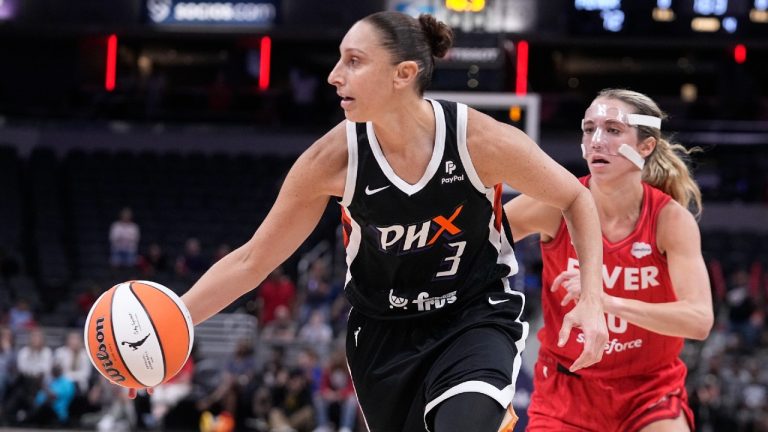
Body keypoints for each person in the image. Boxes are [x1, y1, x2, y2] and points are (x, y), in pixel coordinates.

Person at [130, 12, 608, 432]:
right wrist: (171, 325)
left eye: (354, 62)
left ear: (403, 74)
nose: (335, 76)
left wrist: (592, 298)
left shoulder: (480, 141)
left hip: (473, 313)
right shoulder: (332, 160)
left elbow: (575, 198)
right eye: (339, 60)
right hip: (382, 332)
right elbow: (254, 259)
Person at [504, 88, 714, 431]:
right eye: (589, 129)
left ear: (646, 146)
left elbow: (699, 320)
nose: (597, 141)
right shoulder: (554, 203)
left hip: (648, 391)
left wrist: (603, 300)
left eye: (613, 130)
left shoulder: (670, 220)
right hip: (566, 389)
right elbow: (471, 242)